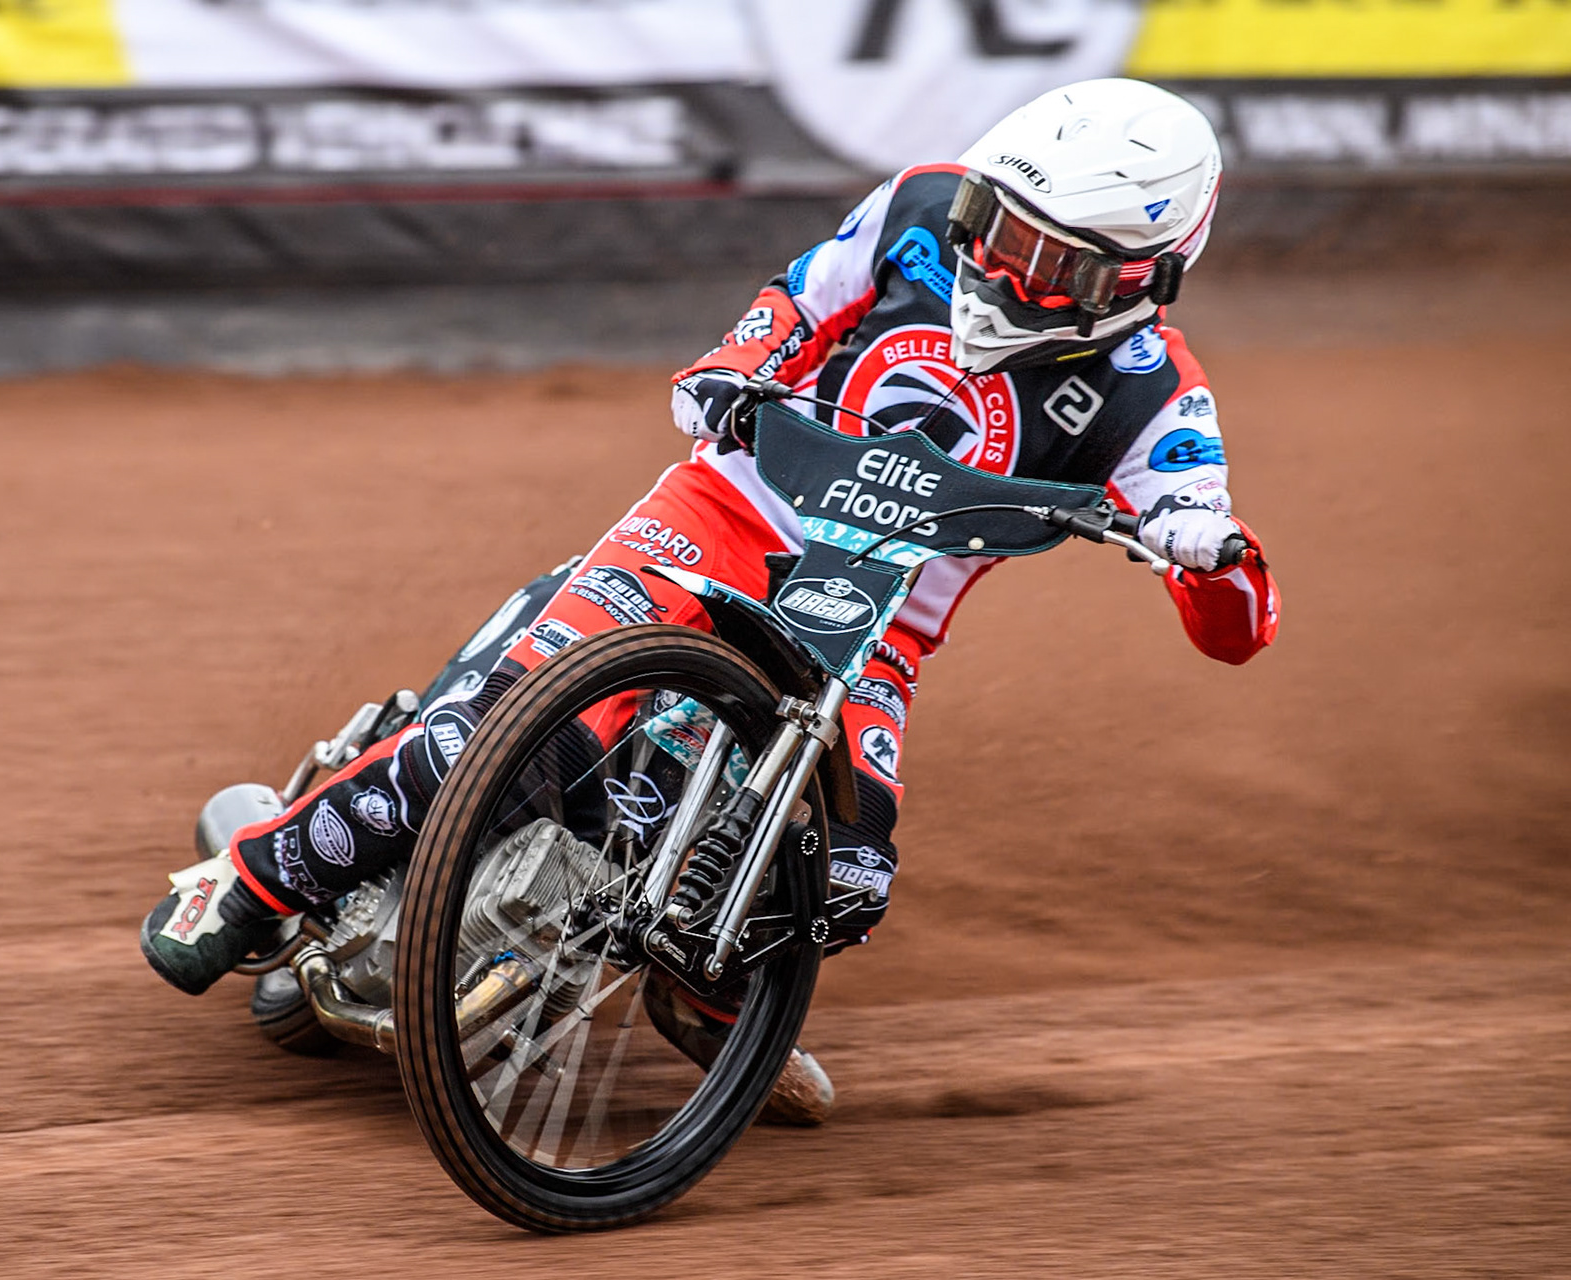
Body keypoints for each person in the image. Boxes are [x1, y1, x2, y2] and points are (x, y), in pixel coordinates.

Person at [138, 78, 1281, 1122]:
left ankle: (723, 1003)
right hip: (719, 515)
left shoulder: (1157, 397)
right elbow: (796, 299)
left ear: (1140, 276)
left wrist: (1212, 554)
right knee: (496, 725)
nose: (1001, 264)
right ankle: (244, 878)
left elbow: (1236, 628)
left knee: (851, 877)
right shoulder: (921, 208)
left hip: (875, 625)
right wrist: (733, 370)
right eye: (997, 224)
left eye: (1047, 257)